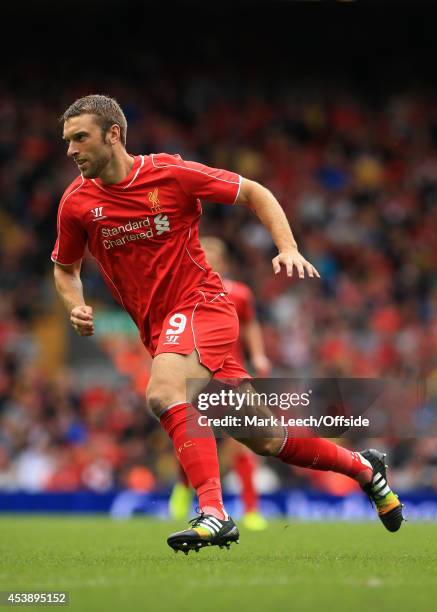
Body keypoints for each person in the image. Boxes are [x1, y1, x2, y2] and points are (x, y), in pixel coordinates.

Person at [52, 95, 404, 555]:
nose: (71, 150)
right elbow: (64, 267)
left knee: (163, 393)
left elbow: (255, 191)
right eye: (67, 141)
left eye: (80, 138)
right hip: (160, 329)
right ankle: (364, 468)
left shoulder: (169, 173)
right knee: (266, 438)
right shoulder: (77, 203)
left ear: (113, 134)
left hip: (203, 306)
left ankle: (215, 513)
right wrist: (74, 304)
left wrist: (288, 247)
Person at [169, 236, 271, 531]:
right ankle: (183, 484)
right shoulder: (185, 290)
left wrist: (259, 355)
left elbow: (250, 323)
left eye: (213, 254)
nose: (207, 259)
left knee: (242, 442)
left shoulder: (239, 293)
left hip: (229, 373)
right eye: (204, 254)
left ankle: (251, 509)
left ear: (223, 262)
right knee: (194, 433)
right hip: (197, 372)